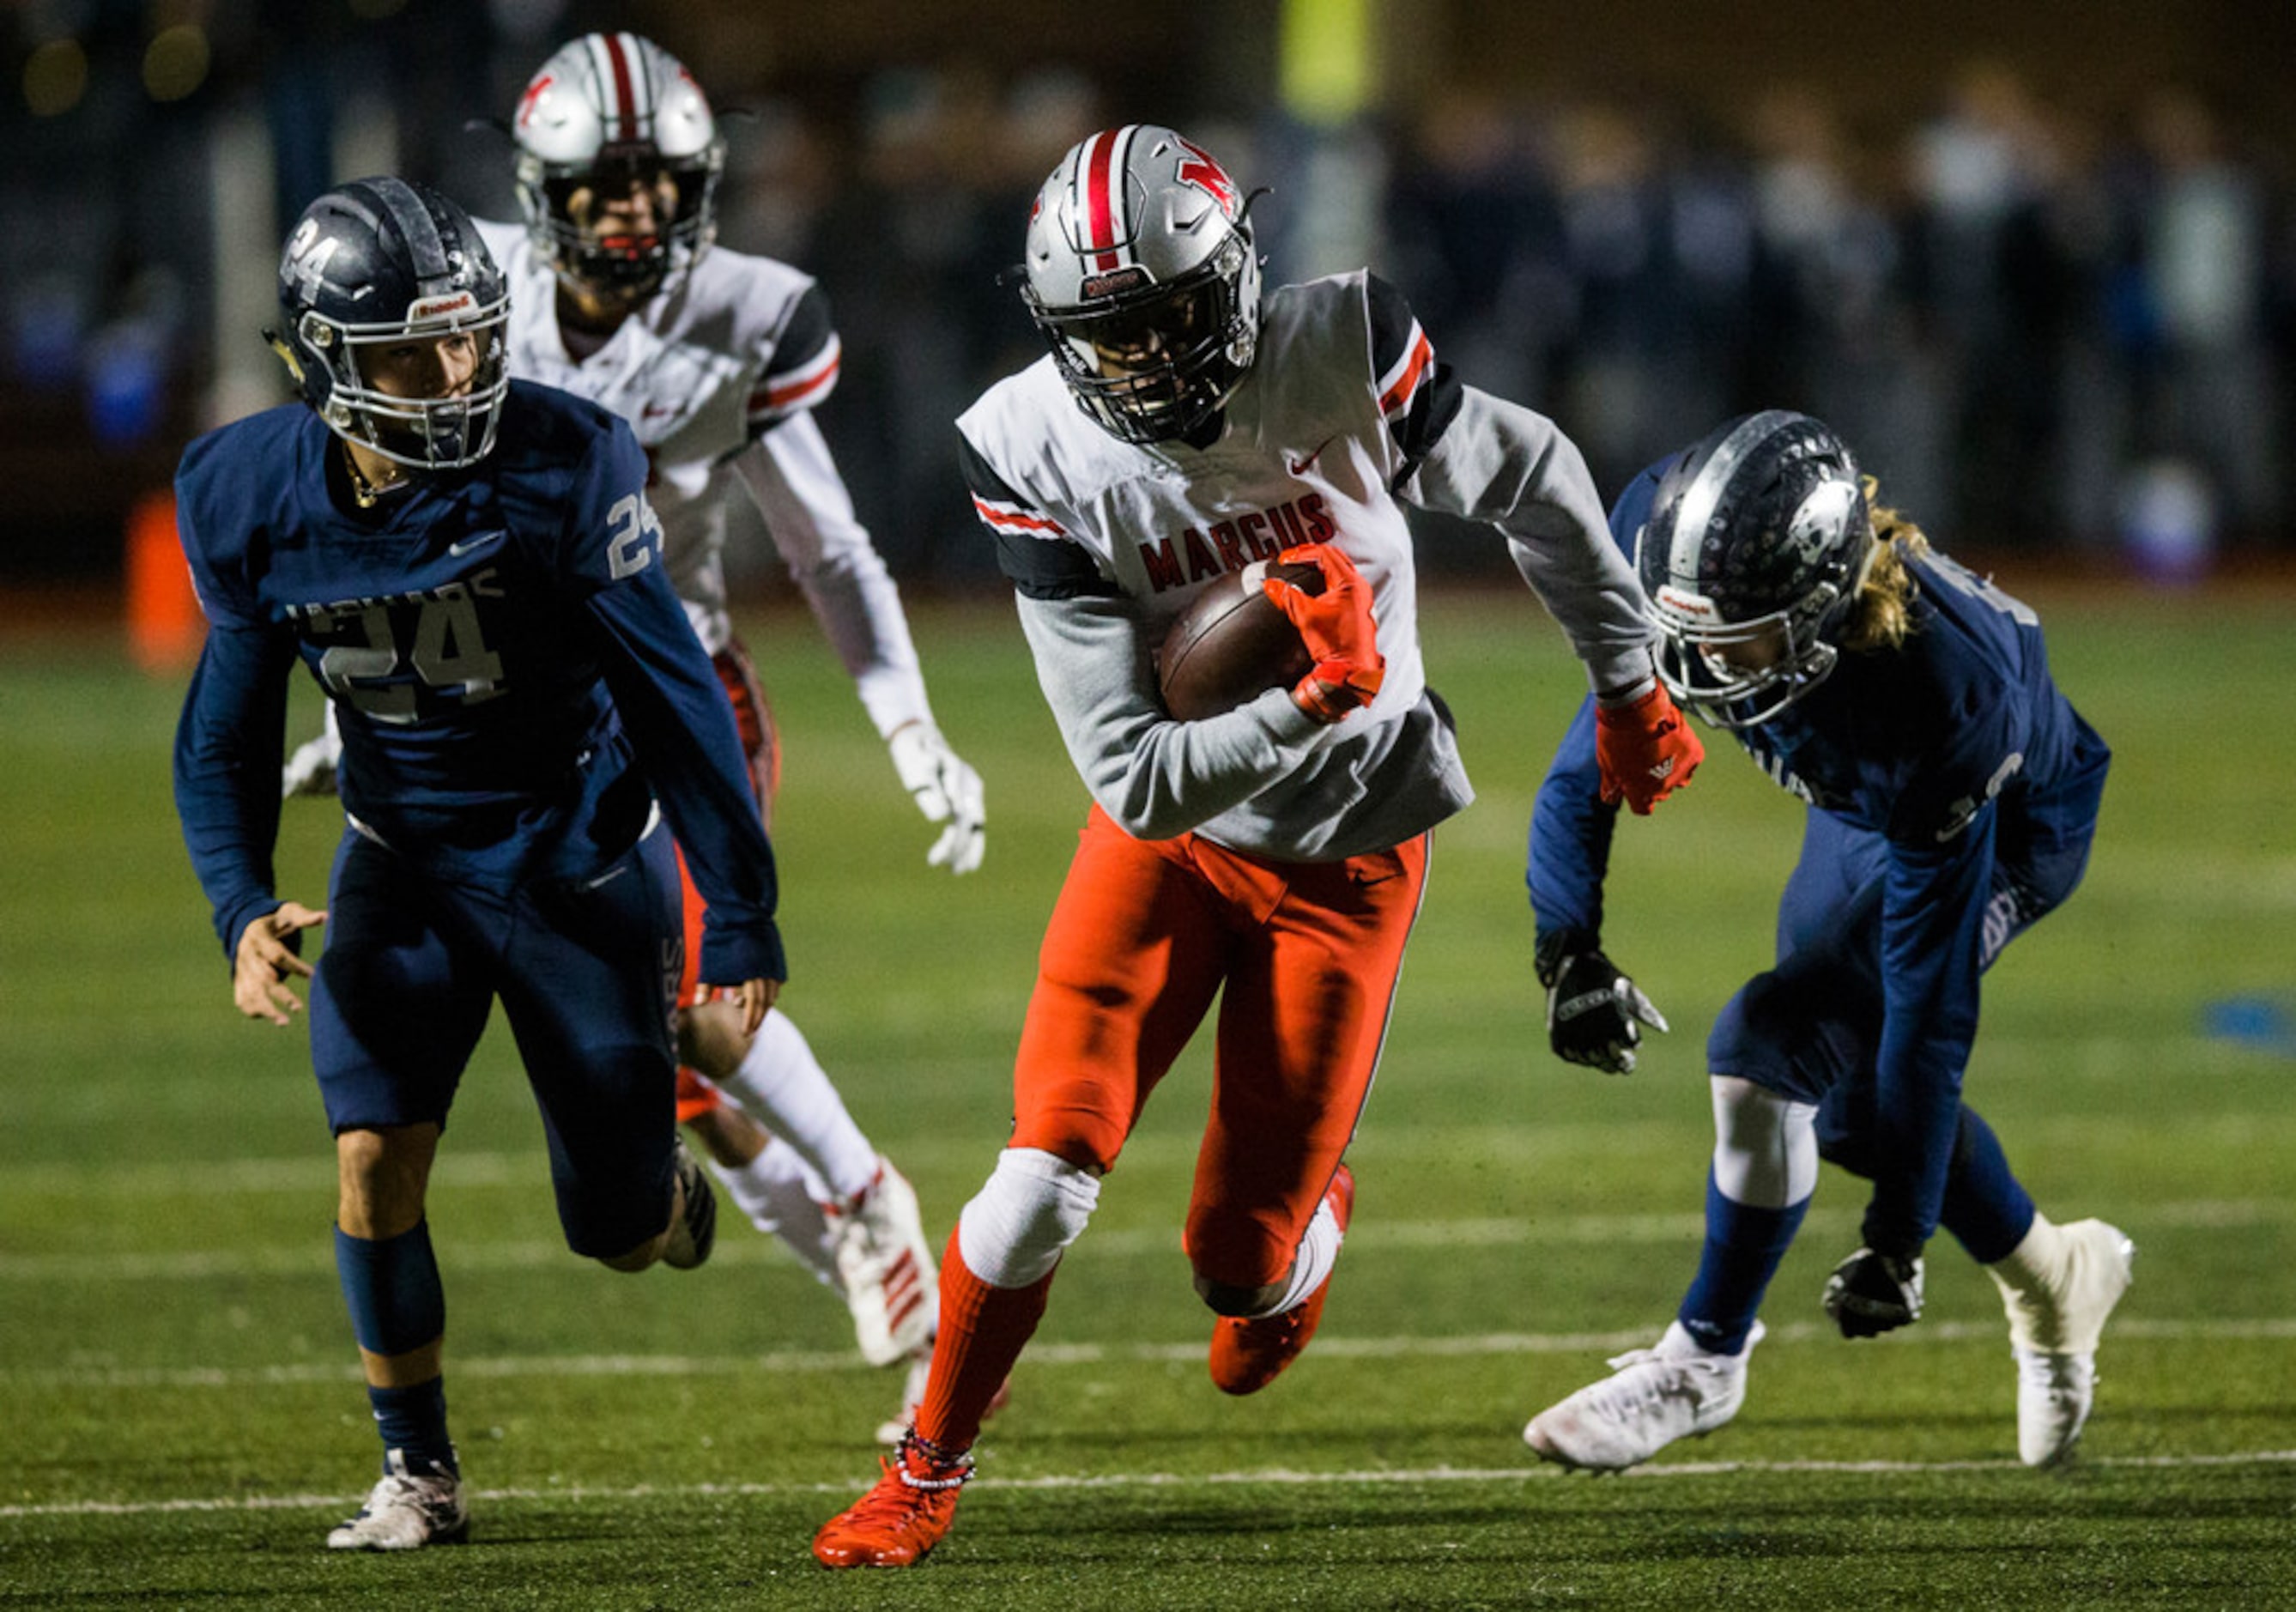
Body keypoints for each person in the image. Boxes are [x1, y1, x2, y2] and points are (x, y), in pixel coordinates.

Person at [810, 122, 1704, 1570]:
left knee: (1238, 1264)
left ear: (1237, 273)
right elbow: (1136, 777)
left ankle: (1305, 1232)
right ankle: (926, 1463)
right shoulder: (1027, 445)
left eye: (1174, 312)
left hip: (1349, 858)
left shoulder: (1341, 342)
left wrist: (1628, 681)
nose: (1154, 357)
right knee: (1039, 1176)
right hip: (1166, 849)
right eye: (1116, 330)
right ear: (1057, 330)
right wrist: (1310, 695)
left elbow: (1531, 472)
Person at [279, 33, 979, 1442]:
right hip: (504, 704)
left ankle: (866, 1202)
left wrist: (908, 722)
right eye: (603, 188)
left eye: (660, 186)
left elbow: (829, 548)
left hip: (674, 688)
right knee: (659, 1074)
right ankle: (848, 1212)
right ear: (539, 192)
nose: (634, 215)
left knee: (706, 1009)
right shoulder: (467, 297)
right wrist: (369, 708)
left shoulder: (746, 314)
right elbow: (385, 521)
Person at [173, 177, 783, 1550]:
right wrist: (234, 899)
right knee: (373, 1155)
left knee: (618, 1234)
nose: (453, 375)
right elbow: (223, 723)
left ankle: (674, 1184)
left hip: (572, 864)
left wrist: (738, 909)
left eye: (466, 338)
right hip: (402, 858)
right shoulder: (250, 494)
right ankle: (421, 1472)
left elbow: (680, 695)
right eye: (408, 350)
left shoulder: (563, 460)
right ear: (324, 359)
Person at [1520, 409, 2134, 1473]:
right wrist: (1566, 946)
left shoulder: (1942, 702)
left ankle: (1702, 1358)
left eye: (1729, 635)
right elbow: (1596, 755)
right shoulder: (1665, 539)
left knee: (1769, 1047)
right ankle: (2055, 1276)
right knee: (1846, 1110)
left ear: (1815, 610)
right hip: (1864, 802)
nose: (1693, 659)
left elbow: (1930, 1009)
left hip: (2000, 825)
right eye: (1684, 623)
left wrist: (1896, 1240)